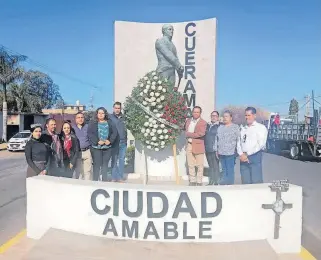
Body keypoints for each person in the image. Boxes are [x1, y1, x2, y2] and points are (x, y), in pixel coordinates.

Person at [237, 107, 268, 184]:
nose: (247, 117)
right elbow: (239, 142)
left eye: (249, 115)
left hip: (254, 157)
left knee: (256, 182)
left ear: (254, 116)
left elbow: (261, 144)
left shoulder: (260, 128)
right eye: (246, 115)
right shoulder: (243, 128)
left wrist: (247, 154)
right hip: (243, 158)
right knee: (245, 182)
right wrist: (241, 154)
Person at [88, 107, 118, 182]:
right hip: (96, 148)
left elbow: (115, 132)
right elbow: (90, 134)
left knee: (105, 166)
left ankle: (104, 182)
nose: (101, 115)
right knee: (97, 166)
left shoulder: (110, 122)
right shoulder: (93, 123)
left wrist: (110, 141)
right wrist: (97, 141)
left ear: (105, 114)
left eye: (102, 113)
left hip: (107, 148)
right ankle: (95, 182)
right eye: (99, 113)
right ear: (97, 114)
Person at [215, 111, 240, 185]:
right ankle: (225, 185)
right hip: (221, 152)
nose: (225, 118)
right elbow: (217, 139)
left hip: (230, 153)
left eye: (227, 116)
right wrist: (216, 150)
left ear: (231, 118)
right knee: (223, 170)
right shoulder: (220, 127)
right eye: (224, 116)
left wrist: (237, 151)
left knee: (230, 170)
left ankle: (230, 186)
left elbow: (239, 139)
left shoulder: (235, 127)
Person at [184, 106, 207, 186]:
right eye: (194, 112)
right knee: (190, 164)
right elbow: (185, 130)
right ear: (192, 112)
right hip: (189, 144)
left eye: (197, 112)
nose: (196, 113)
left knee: (200, 165)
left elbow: (201, 134)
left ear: (200, 113)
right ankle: (192, 181)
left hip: (198, 145)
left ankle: (199, 181)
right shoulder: (188, 121)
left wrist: (189, 134)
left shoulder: (203, 122)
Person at [110, 102, 127, 182]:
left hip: (123, 142)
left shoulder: (124, 118)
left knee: (121, 160)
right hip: (114, 143)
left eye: (118, 108)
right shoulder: (110, 118)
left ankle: (120, 177)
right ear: (113, 108)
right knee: (114, 160)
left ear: (121, 109)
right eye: (116, 108)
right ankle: (114, 177)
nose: (117, 110)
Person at [73, 112, 92, 180]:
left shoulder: (88, 127)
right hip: (77, 153)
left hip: (87, 151)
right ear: (75, 119)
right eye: (78, 117)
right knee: (79, 172)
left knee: (87, 171)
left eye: (82, 117)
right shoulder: (72, 128)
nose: (80, 119)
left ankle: (87, 186)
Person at [204, 111, 221, 185]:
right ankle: (211, 181)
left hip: (215, 149)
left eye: (215, 116)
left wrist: (218, 148)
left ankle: (216, 181)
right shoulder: (207, 125)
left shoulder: (220, 126)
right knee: (210, 166)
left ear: (218, 117)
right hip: (208, 148)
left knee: (216, 166)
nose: (213, 117)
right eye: (212, 116)